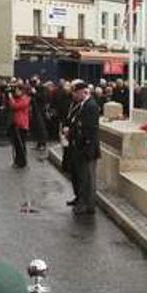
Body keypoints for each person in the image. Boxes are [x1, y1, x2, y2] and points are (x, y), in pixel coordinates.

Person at [62, 81, 100, 215]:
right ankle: (80, 200)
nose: (73, 96)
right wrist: (70, 133)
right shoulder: (80, 105)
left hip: (86, 148)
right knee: (79, 176)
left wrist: (87, 147)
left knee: (86, 179)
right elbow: (75, 123)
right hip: (78, 145)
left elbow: (89, 129)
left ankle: (86, 205)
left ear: (81, 92)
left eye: (75, 93)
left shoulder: (91, 106)